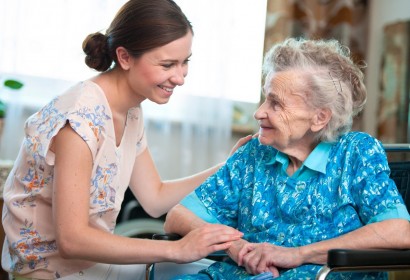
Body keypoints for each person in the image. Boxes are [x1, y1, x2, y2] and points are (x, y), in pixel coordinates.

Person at [1, 0, 249, 279]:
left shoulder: (130, 109)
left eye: (185, 62)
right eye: (168, 64)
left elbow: (154, 197)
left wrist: (229, 165)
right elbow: (71, 241)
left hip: (88, 263)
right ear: (125, 57)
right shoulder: (80, 119)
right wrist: (178, 249)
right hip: (47, 270)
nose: (180, 78)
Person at [163, 38, 410, 279]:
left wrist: (298, 254)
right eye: (265, 98)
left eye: (276, 104)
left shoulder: (356, 153)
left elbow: (398, 231)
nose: (259, 113)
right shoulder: (254, 153)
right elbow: (177, 217)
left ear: (319, 118)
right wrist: (234, 247)